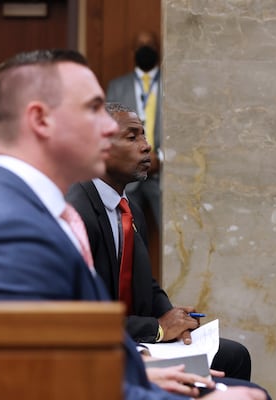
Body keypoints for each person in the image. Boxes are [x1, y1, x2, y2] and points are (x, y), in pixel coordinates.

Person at [0, 49, 266, 400]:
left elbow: (76, 347)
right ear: (40, 120)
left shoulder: (40, 211)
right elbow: (26, 381)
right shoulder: (9, 226)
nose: (105, 126)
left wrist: (140, 373)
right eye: (92, 109)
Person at [66, 102, 252, 381]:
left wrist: (174, 317)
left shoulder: (130, 209)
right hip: (98, 348)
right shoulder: (76, 212)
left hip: (136, 336)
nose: (146, 146)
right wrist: (159, 328)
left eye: (144, 136)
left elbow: (146, 284)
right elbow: (78, 316)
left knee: (234, 356)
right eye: (132, 137)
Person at [107, 30, 162, 228]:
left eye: (150, 46)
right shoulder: (116, 87)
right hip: (129, 177)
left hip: (163, 177)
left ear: (158, 50)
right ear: (133, 52)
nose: (145, 50)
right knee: (128, 235)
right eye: (140, 46)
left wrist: (161, 157)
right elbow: (110, 132)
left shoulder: (172, 85)